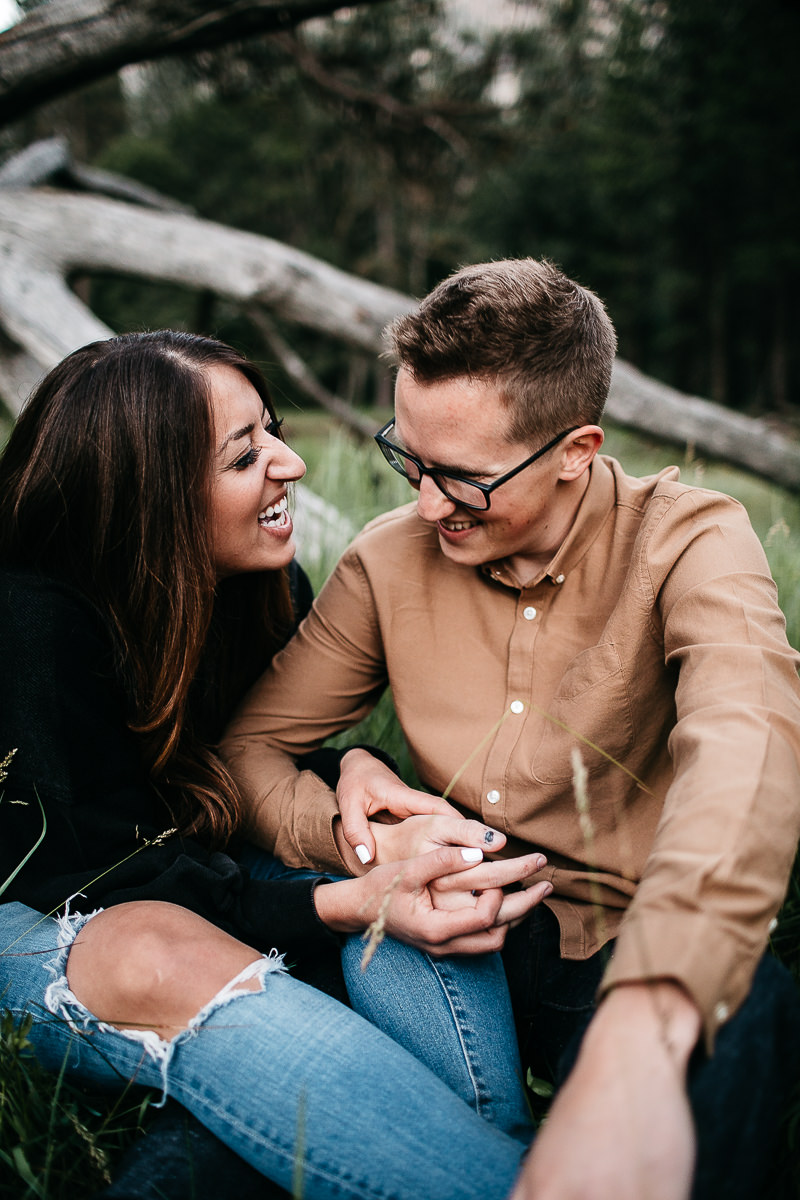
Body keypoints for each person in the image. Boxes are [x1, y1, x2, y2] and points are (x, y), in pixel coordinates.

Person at [221, 259, 800, 1200]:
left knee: (747, 1009)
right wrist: (362, 839)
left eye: (465, 478)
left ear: (577, 448)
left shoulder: (692, 539)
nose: (427, 503)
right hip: (437, 927)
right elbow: (245, 751)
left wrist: (649, 1015)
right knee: (217, 1133)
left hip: (628, 935)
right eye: (407, 457)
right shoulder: (388, 559)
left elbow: (750, 747)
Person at [0, 330, 555, 1200]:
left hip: (195, 875)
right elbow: (92, 871)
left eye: (273, 430)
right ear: (151, 495)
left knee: (396, 843)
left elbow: (235, 757)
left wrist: (357, 776)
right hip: (45, 917)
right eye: (243, 454)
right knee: (160, 945)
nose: (290, 464)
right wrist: (338, 905)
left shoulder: (256, 586)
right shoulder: (27, 630)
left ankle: (488, 1148)